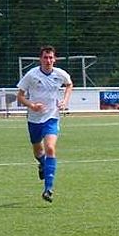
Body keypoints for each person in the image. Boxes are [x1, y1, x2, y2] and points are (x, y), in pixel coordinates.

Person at [15, 45, 73, 203]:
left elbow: (69, 85)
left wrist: (65, 101)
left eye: (51, 58)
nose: (48, 60)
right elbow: (20, 96)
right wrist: (32, 105)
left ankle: (48, 189)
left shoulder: (60, 74)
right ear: (40, 59)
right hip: (34, 119)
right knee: (38, 151)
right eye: (45, 58)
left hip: (52, 117)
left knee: (50, 148)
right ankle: (42, 164)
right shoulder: (31, 75)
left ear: (55, 59)